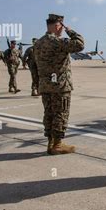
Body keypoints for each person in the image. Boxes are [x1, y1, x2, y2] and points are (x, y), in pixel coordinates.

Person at [35, 14, 84, 155]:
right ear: (58, 26)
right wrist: (70, 31)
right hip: (60, 86)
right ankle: (57, 144)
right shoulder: (57, 42)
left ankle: (50, 142)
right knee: (60, 113)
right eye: (61, 27)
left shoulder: (38, 43)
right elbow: (80, 44)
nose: (62, 30)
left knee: (49, 113)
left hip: (45, 85)